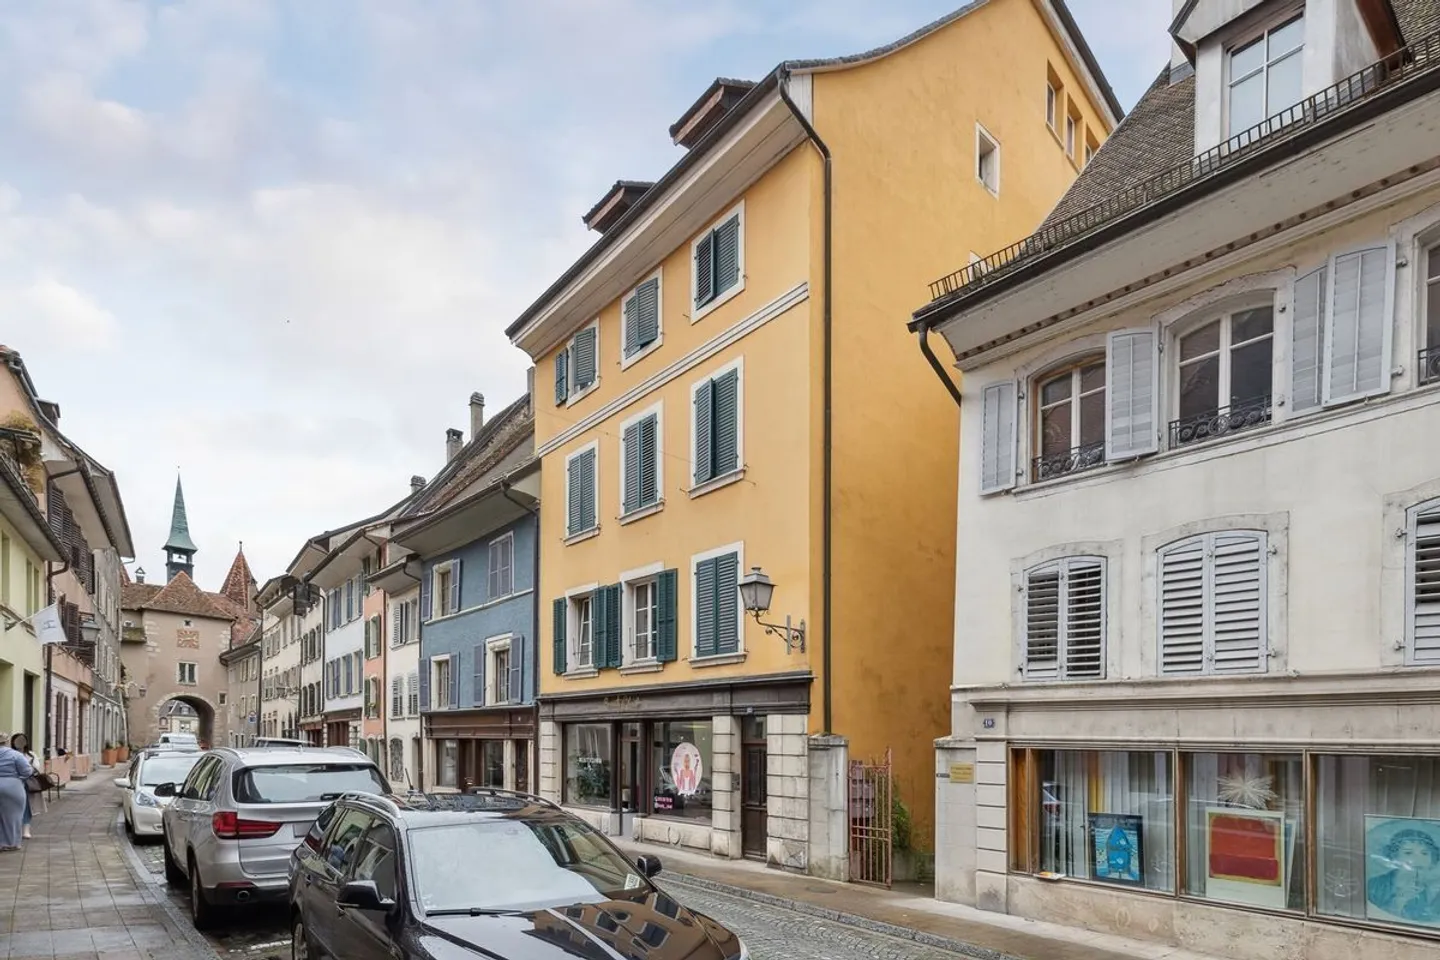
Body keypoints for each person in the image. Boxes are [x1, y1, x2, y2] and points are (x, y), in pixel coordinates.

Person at [0, 732, 36, 852]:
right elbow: (27, 771)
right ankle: (12, 843)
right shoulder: (15, 755)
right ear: (7, 741)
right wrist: (19, 778)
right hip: (12, 786)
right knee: (14, 816)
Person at [9, 734, 36, 840]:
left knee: (26, 807)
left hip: (27, 784)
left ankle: (26, 829)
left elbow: (35, 768)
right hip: (13, 783)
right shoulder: (10, 754)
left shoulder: (31, 755)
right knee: (10, 807)